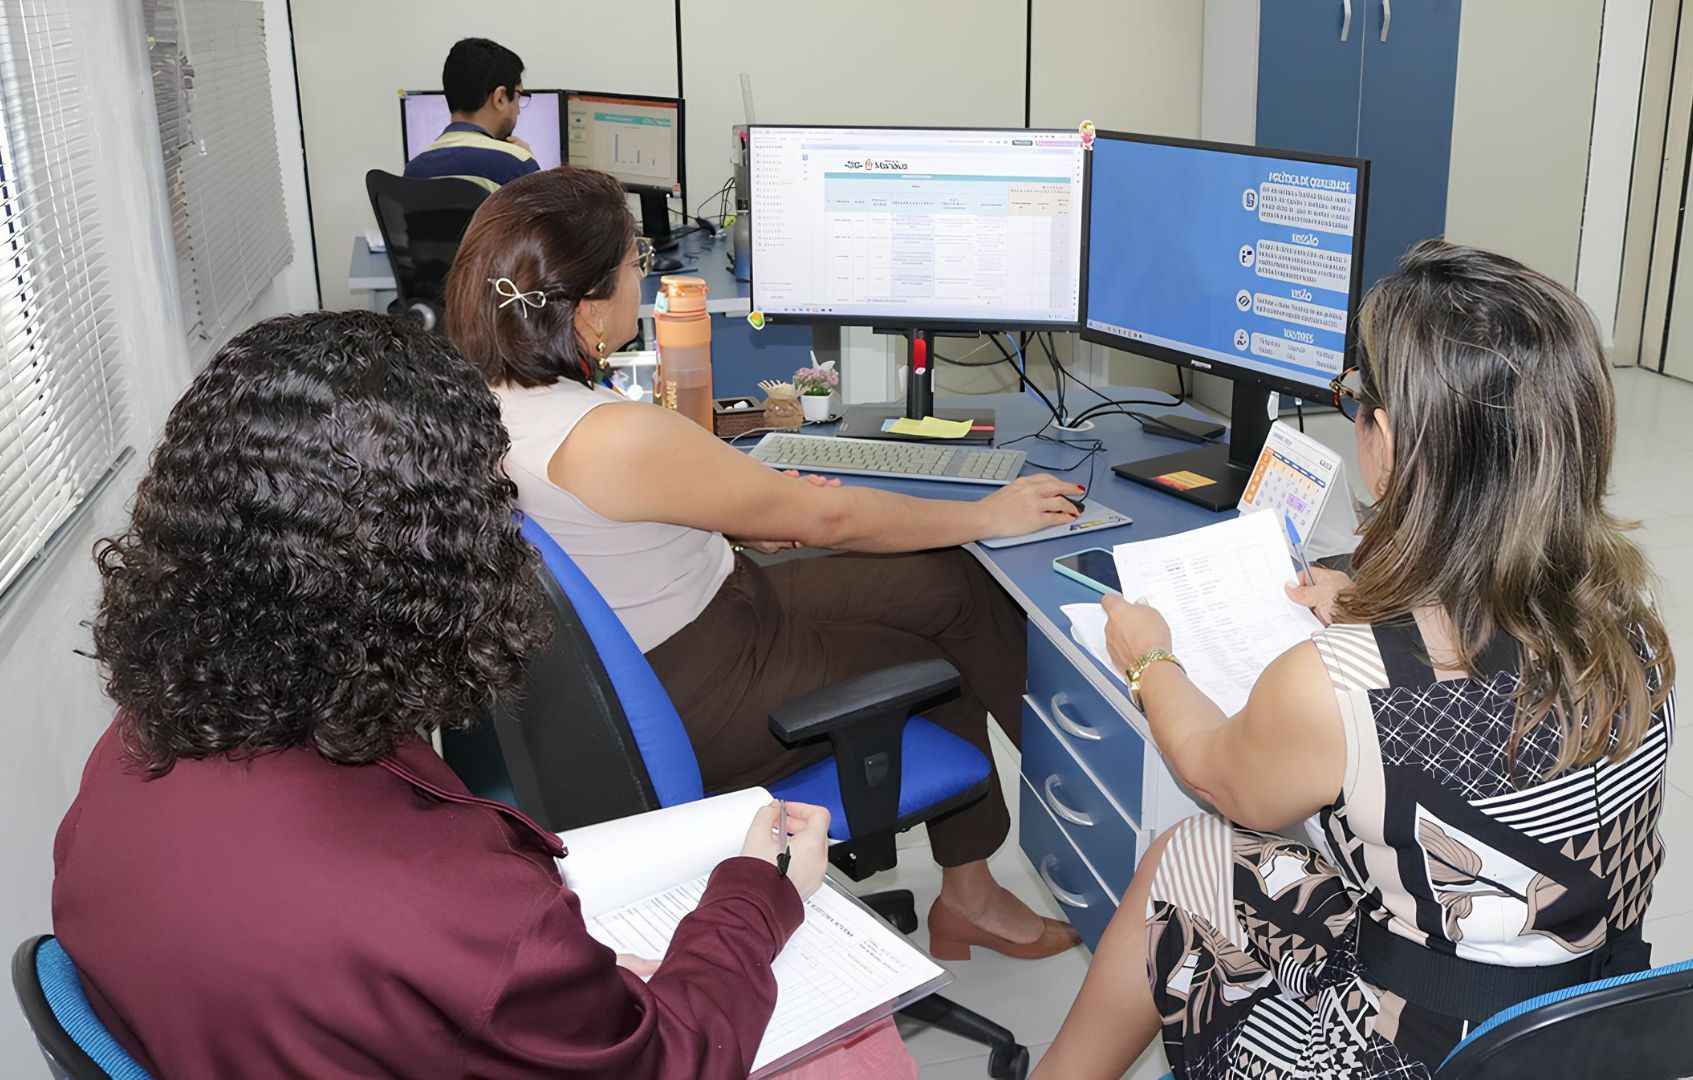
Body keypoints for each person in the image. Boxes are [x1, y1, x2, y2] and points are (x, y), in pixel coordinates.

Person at [52, 310, 883, 1078]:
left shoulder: (129, 758)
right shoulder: (453, 914)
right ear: (436, 561)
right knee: (863, 1050)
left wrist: (556, 987)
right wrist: (755, 893)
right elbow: (674, 1058)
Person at [1033, 241, 1679, 1080]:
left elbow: (1215, 772)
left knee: (1191, 853)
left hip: (1419, 1053)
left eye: (1357, 401)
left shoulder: (1340, 681)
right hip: (1587, 1023)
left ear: (1395, 438)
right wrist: (1381, 613)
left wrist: (1148, 653)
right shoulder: (1635, 621)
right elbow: (1495, 716)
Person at [444, 166, 1085, 961]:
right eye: (634, 262)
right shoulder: (610, 434)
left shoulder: (479, 407)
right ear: (586, 308)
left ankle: (990, 879)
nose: (644, 276)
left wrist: (755, 514)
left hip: (688, 620)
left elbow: (633, 524)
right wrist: (987, 511)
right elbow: (832, 516)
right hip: (711, 674)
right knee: (940, 646)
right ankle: (1079, 827)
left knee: (946, 580)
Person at [405, 37, 540, 191]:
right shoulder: (516, 164)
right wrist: (531, 167)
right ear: (500, 98)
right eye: (518, 95)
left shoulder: (414, 170)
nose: (518, 109)